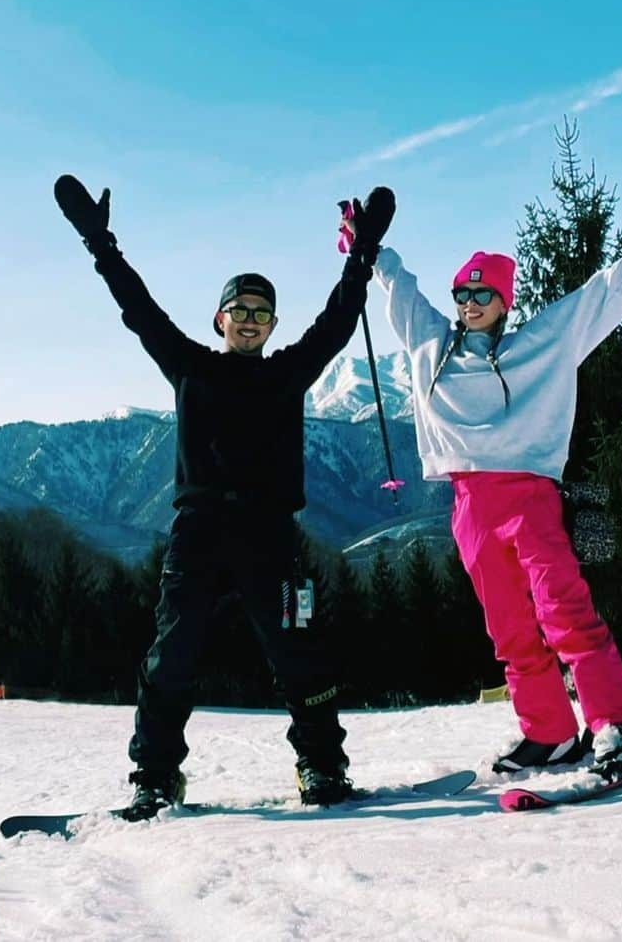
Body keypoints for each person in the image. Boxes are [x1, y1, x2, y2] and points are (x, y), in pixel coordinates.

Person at [55, 175, 395, 815]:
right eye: (238, 310)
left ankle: (321, 766)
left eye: (261, 312)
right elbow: (139, 308)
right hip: (199, 535)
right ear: (219, 319)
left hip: (272, 539)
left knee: (301, 652)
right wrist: (100, 244)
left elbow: (340, 320)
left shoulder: (288, 371)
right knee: (172, 653)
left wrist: (363, 254)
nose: (249, 321)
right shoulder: (189, 365)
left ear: (271, 324)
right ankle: (154, 777)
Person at [351, 208, 622, 778]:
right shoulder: (431, 347)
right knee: (509, 628)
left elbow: (590, 305)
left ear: (505, 301)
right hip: (469, 503)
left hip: (529, 497)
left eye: (483, 294)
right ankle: (547, 731)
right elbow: (399, 290)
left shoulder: (539, 346)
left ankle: (618, 724)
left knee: (563, 611)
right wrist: (369, 245)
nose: (469, 303)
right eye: (463, 293)